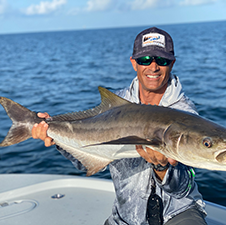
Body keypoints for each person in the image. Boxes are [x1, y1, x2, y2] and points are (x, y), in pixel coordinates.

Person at [32, 27, 207, 225]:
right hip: (125, 218)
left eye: (162, 60)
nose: (153, 67)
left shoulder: (185, 115)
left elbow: (182, 189)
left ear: (172, 63)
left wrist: (162, 167)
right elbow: (87, 162)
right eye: (145, 60)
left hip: (178, 213)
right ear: (134, 63)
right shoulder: (115, 105)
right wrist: (55, 136)